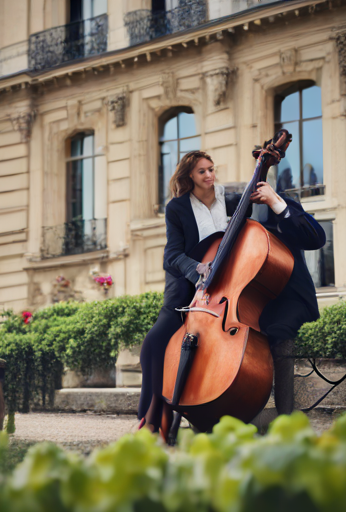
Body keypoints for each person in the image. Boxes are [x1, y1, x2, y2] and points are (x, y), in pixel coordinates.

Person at [138, 150, 326, 433]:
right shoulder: (206, 212)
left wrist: (274, 200)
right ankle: (164, 417)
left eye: (212, 169)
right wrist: (199, 269)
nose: (209, 176)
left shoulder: (269, 204)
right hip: (221, 297)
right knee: (163, 344)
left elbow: (315, 237)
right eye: (203, 171)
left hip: (273, 296)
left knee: (276, 334)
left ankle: (283, 418)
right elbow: (177, 255)